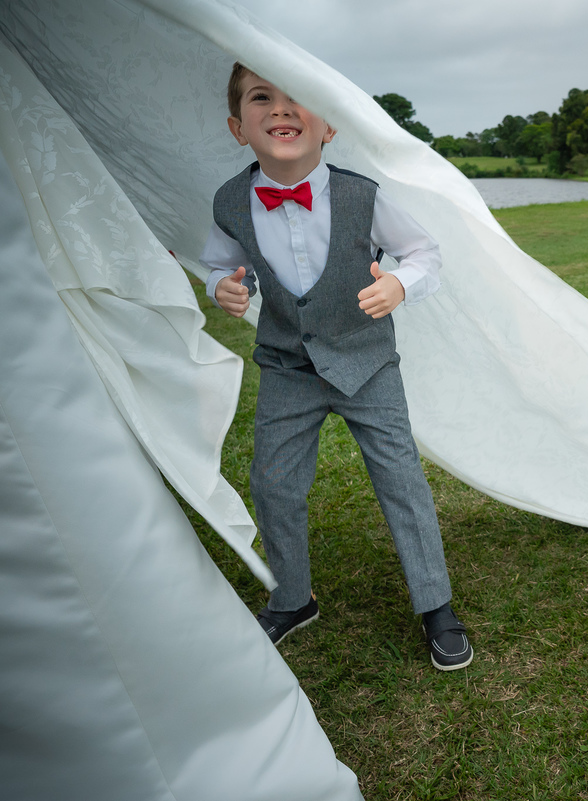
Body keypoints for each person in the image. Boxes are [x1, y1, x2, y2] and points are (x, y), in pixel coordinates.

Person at [200, 63, 471, 671]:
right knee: (272, 483)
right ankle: (292, 598)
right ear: (237, 127)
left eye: (298, 99)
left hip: (366, 363)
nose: (280, 109)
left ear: (329, 127)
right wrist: (222, 285)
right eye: (261, 98)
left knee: (400, 480)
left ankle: (436, 605)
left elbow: (425, 251)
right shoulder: (228, 201)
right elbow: (217, 261)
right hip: (287, 366)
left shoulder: (361, 196)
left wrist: (400, 283)